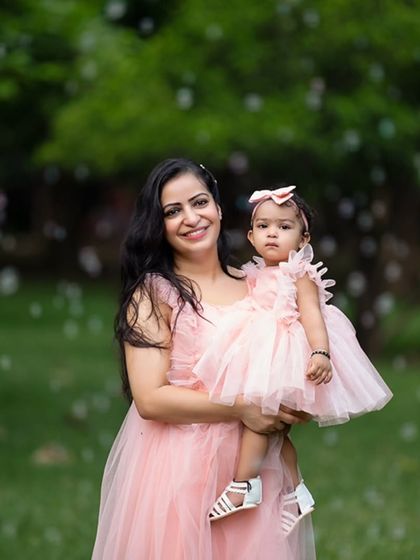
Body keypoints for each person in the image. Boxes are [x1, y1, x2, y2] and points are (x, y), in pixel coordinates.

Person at [92, 160, 316, 560]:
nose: (191, 218)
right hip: (179, 466)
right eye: (173, 211)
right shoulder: (155, 294)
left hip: (250, 470)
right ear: (157, 225)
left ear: (218, 207)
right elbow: (150, 399)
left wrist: (293, 399)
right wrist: (244, 406)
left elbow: (284, 361)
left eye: (199, 202)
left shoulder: (258, 285)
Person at [193, 185, 393, 533]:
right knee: (275, 432)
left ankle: (245, 485)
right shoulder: (252, 273)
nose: (273, 233)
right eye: (265, 226)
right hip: (260, 352)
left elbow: (313, 315)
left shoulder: (299, 273)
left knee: (261, 420)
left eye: (285, 227)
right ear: (251, 236)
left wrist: (320, 352)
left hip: (285, 353)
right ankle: (296, 491)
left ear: (303, 240)